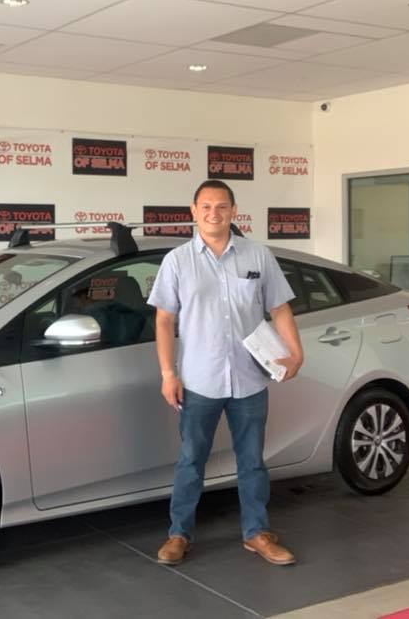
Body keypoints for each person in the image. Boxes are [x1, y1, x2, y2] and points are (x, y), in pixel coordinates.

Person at [147, 179, 303, 567]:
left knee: (252, 461)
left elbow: (279, 308)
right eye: (206, 206)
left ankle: (257, 533)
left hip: (249, 379)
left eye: (221, 206)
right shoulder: (178, 261)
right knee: (190, 461)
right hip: (199, 381)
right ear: (193, 211)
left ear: (234, 211)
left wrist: (296, 353)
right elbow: (164, 320)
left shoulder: (258, 256)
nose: (213, 213)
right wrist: (168, 373)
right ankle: (179, 534)